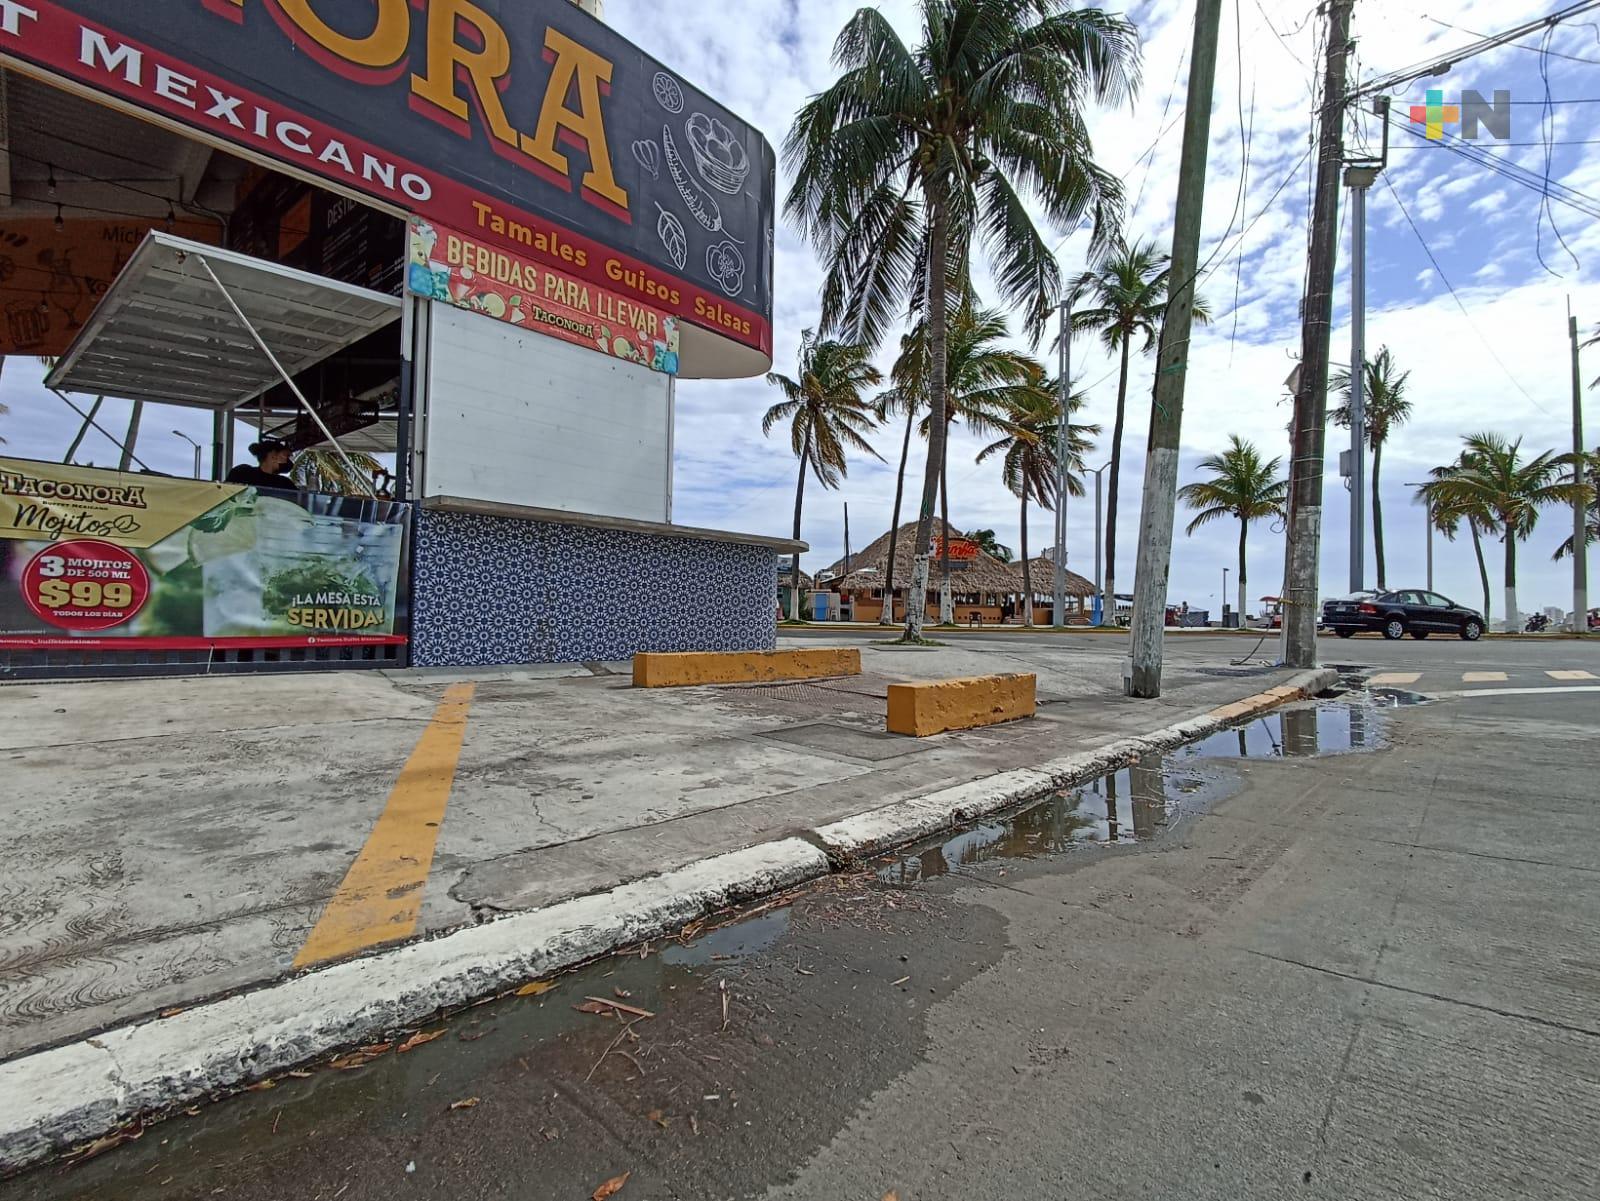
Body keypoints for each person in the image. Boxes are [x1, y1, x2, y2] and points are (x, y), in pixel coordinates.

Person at [226, 439, 297, 491]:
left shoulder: (285, 483)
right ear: (273, 455)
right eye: (285, 455)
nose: (286, 461)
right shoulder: (242, 473)